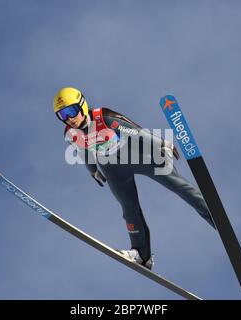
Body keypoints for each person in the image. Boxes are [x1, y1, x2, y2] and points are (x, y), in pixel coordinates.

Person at [53, 87, 215, 270]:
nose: (68, 118)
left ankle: (213, 214)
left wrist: (162, 143)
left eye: (71, 111)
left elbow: (137, 131)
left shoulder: (103, 117)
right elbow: (82, 151)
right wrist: (92, 171)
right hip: (113, 169)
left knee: (176, 184)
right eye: (61, 115)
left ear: (82, 105)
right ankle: (141, 254)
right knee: (129, 209)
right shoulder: (69, 134)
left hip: (138, 155)